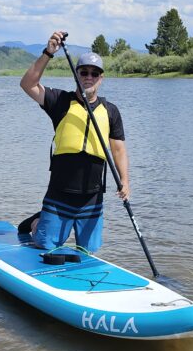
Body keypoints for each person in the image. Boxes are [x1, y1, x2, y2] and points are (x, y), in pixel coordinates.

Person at [17, 30, 128, 253]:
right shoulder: (59, 101)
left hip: (92, 197)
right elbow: (27, 84)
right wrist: (48, 52)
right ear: (76, 74)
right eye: (84, 72)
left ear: (101, 78)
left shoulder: (111, 111)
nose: (89, 77)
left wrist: (125, 180)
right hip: (60, 193)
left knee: (88, 252)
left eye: (94, 73)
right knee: (44, 245)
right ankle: (37, 222)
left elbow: (118, 149)